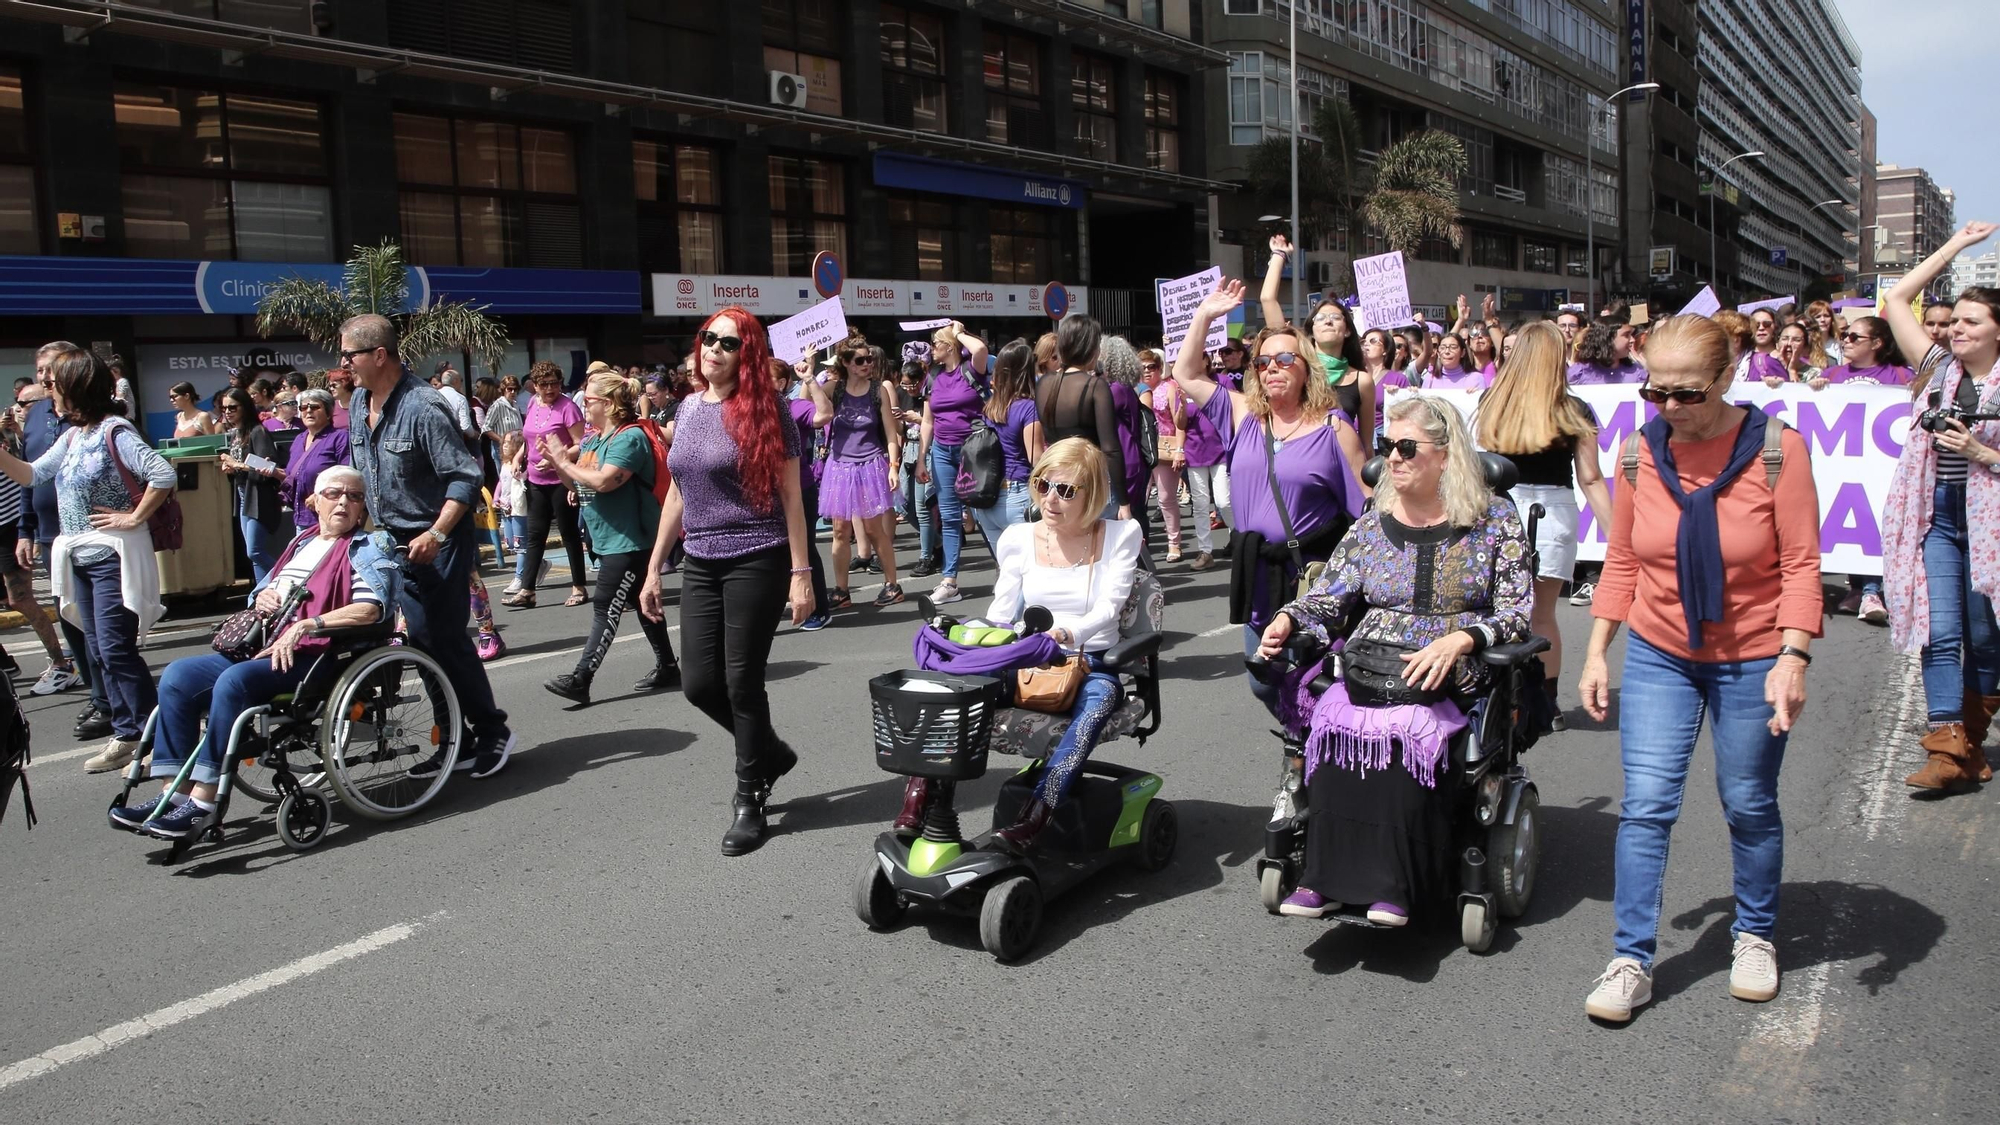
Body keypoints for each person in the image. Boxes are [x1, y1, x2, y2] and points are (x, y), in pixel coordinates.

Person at [1577, 314, 1820, 1023]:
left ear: (1728, 376)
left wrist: (1793, 656)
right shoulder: (1638, 452)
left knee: (1748, 803)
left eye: (1689, 394)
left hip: (1752, 656)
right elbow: (1621, 561)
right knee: (1647, 806)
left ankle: (1754, 934)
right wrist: (1597, 650)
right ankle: (1631, 959)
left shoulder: (1779, 449)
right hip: (1660, 651)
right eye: (1657, 394)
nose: (1672, 410)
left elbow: (1802, 566)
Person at [1259, 395, 1532, 926]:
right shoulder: (1371, 522)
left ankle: (1394, 884)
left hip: (1451, 667)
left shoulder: (1494, 520)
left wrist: (1466, 639)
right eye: (1387, 447)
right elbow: (1329, 598)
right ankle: (1323, 878)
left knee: (1404, 736)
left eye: (1407, 447)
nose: (1393, 459)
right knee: (1334, 729)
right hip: (1371, 664)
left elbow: (1518, 612)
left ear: (1448, 454)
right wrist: (1290, 618)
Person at [110, 467, 395, 837]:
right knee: (178, 677)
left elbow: (372, 608)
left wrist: (308, 624)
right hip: (261, 646)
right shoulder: (301, 542)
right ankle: (173, 795)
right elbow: (260, 592)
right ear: (314, 502)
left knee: (233, 682)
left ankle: (204, 800)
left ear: (362, 510)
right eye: (334, 494)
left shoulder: (368, 547)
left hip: (314, 657)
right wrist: (261, 595)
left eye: (354, 497)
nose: (343, 502)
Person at [638, 306, 814, 856]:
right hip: (700, 558)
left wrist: (801, 573)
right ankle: (768, 750)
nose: (712, 348)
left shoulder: (768, 411)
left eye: (727, 343)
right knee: (698, 685)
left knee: (742, 682)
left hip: (757, 556)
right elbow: (677, 493)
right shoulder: (688, 408)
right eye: (707, 338)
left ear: (749, 355)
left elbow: (791, 497)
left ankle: (750, 795)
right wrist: (653, 568)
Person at [1171, 279, 1361, 715]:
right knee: (1264, 682)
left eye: (1284, 359)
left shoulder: (1334, 429)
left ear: (1306, 367)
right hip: (1256, 571)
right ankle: (1304, 742)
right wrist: (1204, 315)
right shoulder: (1242, 415)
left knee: (1314, 676)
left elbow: (1365, 511)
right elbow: (1184, 374)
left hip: (1308, 575)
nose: (1271, 368)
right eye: (1263, 362)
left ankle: (1309, 760)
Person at [340, 313, 516, 779]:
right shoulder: (360, 402)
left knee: (445, 639)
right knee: (421, 643)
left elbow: (464, 476)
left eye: (349, 355)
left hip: (437, 538)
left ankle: (491, 731)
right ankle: (456, 737)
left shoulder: (423, 405)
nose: (343, 365)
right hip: (393, 542)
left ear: (379, 355)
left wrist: (436, 534)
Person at [0, 345, 176, 773]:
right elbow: (32, 474)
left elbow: (163, 474)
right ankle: (127, 732)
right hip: (80, 556)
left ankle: (152, 736)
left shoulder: (115, 430)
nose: (46, 388)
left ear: (76, 386)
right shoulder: (75, 435)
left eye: (52, 382)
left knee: (115, 649)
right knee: (98, 650)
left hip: (112, 557)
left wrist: (132, 516)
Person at [976, 438, 1143, 852]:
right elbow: (1000, 612)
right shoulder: (1018, 537)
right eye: (1043, 484)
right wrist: (974, 638)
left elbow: (1110, 607)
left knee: (1098, 701)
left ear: (1092, 496)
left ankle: (1037, 814)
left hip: (1089, 660)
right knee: (956, 690)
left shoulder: (1122, 535)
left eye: (1066, 491)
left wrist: (1068, 634)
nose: (1050, 499)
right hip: (1028, 656)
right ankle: (924, 806)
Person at [1879, 221, 2000, 793]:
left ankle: (1970, 739)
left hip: (1993, 522)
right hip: (1937, 516)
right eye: (1953, 321)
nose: (1956, 330)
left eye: (1971, 322)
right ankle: (1946, 745)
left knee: (1986, 637)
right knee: (1940, 631)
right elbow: (1897, 298)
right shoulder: (1935, 369)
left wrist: (1981, 451)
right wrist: (1956, 247)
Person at [1475, 321, 1614, 722]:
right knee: (1543, 611)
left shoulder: (1492, 401)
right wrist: (1620, 537)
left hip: (1501, 505)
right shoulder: (1573, 408)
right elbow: (1590, 477)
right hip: (1553, 508)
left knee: (1497, 607)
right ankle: (1547, 703)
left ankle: (1503, 696)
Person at [540, 371, 679, 705]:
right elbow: (580, 486)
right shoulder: (592, 439)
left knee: (604, 606)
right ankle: (669, 667)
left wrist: (564, 462)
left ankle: (581, 678)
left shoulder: (628, 439)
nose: (582, 405)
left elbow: (604, 481)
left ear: (607, 403)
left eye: (587, 400)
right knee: (642, 604)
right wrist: (559, 466)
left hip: (631, 540)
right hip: (606, 538)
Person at [19, 344, 110, 738]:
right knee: (70, 617)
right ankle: (97, 694)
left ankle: (112, 703)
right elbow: (29, 474)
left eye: (50, 371)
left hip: (93, 534)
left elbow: (154, 473)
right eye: (39, 370)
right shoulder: (36, 413)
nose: (43, 378)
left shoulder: (95, 420)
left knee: (100, 626)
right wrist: (25, 529)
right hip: (49, 534)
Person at [819, 337, 904, 609]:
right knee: (840, 531)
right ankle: (841, 591)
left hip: (870, 464)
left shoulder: (878, 390)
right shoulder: (835, 388)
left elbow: (891, 433)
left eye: (869, 359)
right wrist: (809, 375)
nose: (867, 364)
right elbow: (808, 404)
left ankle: (892, 585)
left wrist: (893, 467)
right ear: (845, 363)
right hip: (840, 466)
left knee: (873, 529)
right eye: (860, 360)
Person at [0, 402, 78, 697]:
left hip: (6, 523)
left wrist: (24, 531)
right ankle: (6, 663)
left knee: (19, 599)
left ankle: (61, 663)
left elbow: (25, 476)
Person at [1261, 237, 1373, 434]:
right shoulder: (1296, 362)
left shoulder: (1362, 380)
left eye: (1335, 317)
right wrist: (1279, 255)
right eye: (1320, 318)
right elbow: (1268, 299)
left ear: (1347, 330)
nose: (1328, 321)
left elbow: (1366, 443)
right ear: (1311, 330)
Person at [1034, 317, 1130, 537]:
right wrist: (1124, 501)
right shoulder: (1095, 386)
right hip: (1091, 480)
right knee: (1099, 551)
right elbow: (1110, 448)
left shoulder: (1044, 384)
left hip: (1056, 480)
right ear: (1091, 348)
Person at [915, 322, 989, 603]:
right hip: (942, 451)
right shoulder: (933, 376)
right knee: (948, 516)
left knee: (984, 512)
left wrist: (958, 333)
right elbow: (928, 421)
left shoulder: (972, 368)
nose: (932, 349)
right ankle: (950, 580)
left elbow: (980, 347)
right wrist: (922, 457)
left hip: (973, 450)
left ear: (949, 346)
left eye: (936, 343)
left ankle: (1006, 569)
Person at [507, 360, 589, 609]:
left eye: (555, 383)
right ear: (535, 386)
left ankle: (579, 586)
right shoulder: (533, 403)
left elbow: (580, 444)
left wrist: (557, 459)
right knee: (535, 535)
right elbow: (529, 439)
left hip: (561, 480)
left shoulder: (568, 407)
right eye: (544, 384)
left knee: (569, 534)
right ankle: (528, 590)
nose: (550, 389)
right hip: (535, 480)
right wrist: (519, 457)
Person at [972, 339, 1045, 552]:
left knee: (1007, 572)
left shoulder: (990, 408)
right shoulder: (1028, 408)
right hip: (1019, 492)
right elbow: (1036, 458)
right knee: (1030, 570)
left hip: (989, 497)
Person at [778, 358, 834, 632]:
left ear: (780, 383)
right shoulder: (752, 409)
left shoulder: (794, 407)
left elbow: (824, 415)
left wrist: (810, 379)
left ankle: (820, 609)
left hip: (800, 489)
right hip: (768, 494)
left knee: (805, 549)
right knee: (774, 552)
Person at [217, 387, 287, 584]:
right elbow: (243, 467)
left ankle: (287, 581)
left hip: (259, 496)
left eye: (233, 408)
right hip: (243, 495)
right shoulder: (236, 434)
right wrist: (232, 469)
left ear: (245, 407)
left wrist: (237, 464)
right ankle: (261, 595)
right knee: (254, 554)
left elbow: (268, 467)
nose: (228, 412)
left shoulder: (258, 432)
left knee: (255, 551)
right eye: (224, 409)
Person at [1098, 336, 1155, 549]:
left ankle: (1137, 562)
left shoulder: (1114, 390)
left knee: (1125, 517)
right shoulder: (1125, 388)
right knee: (1136, 512)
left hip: (1123, 458)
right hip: (1131, 457)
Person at [280, 388, 351, 532]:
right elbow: (293, 474)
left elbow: (346, 474)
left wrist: (320, 494)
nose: (308, 411)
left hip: (327, 519)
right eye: (304, 407)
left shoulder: (340, 438)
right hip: (300, 517)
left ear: (329, 412)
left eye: (315, 407)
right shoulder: (299, 439)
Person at [1138, 348, 1185, 562]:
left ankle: (1174, 543)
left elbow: (1179, 423)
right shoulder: (1134, 389)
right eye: (1143, 367)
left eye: (1152, 367)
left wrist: (1179, 450)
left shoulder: (1170, 387)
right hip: (1140, 449)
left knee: (1166, 499)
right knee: (1139, 498)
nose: (1147, 371)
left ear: (1160, 368)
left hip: (1165, 449)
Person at [1569, 318, 1647, 384]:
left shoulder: (1638, 372)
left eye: (1632, 335)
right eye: (1626, 335)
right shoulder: (1579, 373)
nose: (1632, 340)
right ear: (1608, 339)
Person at [1423, 332, 1487, 390]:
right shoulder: (1430, 378)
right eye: (1443, 348)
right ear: (1438, 353)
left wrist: (1475, 395)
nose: (1447, 351)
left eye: (1453, 347)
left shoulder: (1476, 378)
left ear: (1462, 353)